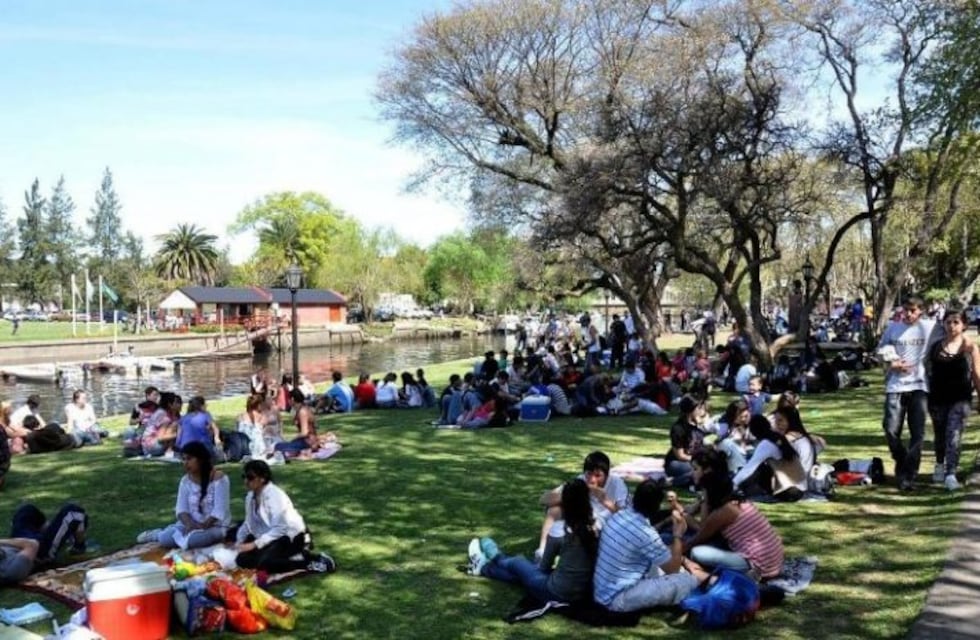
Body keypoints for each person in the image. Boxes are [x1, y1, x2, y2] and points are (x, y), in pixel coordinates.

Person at [471, 478, 598, 604]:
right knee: (521, 575)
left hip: (552, 591)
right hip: (579, 593)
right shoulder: (593, 529)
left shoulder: (560, 532)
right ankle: (483, 568)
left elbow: (544, 567)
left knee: (518, 562)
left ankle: (495, 556)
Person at [593, 479, 697, 612]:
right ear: (656, 506)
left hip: (602, 591)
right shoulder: (645, 533)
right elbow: (673, 569)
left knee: (663, 565)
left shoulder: (620, 515)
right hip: (618, 598)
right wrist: (678, 535)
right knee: (686, 581)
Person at [876, 295, 938, 491]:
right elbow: (879, 350)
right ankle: (902, 460)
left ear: (921, 310)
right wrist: (891, 363)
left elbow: (954, 334)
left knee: (917, 433)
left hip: (919, 386)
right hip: (896, 386)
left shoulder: (930, 328)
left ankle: (908, 476)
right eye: (906, 310)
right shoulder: (893, 328)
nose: (909, 314)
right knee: (890, 429)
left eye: (913, 310)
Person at [235, 459, 335, 574]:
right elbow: (248, 523)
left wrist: (254, 544)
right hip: (271, 536)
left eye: (250, 477)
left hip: (290, 536)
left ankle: (312, 563)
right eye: (244, 477)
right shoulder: (250, 497)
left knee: (266, 563)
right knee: (241, 559)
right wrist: (238, 543)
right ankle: (289, 558)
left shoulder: (274, 496)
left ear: (262, 479)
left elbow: (280, 529)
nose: (246, 481)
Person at [683, 473, 784, 579]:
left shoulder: (724, 511)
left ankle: (748, 574)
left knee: (697, 553)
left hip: (757, 564)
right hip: (773, 560)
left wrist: (677, 552)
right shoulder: (740, 502)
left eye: (704, 492)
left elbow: (700, 536)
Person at [137, 441, 231, 549]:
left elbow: (219, 511)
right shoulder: (185, 481)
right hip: (191, 524)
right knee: (165, 539)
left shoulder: (219, 479)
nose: (185, 463)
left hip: (214, 526)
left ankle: (187, 538)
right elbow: (181, 509)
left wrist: (203, 526)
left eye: (189, 459)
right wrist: (190, 525)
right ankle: (157, 534)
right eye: (184, 459)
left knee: (194, 540)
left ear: (201, 459)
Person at [536, 451, 628, 561]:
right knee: (554, 510)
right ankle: (542, 550)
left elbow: (625, 516)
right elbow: (543, 499)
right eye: (589, 474)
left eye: (598, 475)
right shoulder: (581, 481)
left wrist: (605, 501)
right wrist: (572, 494)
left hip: (604, 524)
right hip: (582, 517)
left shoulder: (617, 484)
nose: (592, 479)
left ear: (607, 475)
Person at [926, 307, 980, 491]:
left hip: (961, 399)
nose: (951, 325)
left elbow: (977, 374)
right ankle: (939, 465)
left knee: (954, 435)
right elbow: (927, 372)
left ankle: (951, 473)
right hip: (937, 398)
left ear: (964, 325)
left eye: (956, 322)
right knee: (940, 435)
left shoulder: (970, 348)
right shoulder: (935, 347)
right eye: (948, 322)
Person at [733, 410, 819, 501]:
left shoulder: (767, 444)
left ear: (753, 431)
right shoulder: (777, 438)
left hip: (790, 491)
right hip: (801, 488)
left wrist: (731, 485)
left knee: (758, 469)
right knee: (764, 467)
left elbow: (749, 468)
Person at [10, 502, 91, 565]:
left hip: (19, 542)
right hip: (38, 550)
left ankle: (50, 535)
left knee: (27, 509)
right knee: (74, 512)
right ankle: (78, 545)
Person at [664, 395, 708, 489]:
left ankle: (690, 482)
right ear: (691, 410)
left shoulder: (699, 426)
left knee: (708, 471)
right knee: (701, 472)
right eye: (699, 408)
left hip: (694, 460)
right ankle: (670, 483)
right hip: (677, 462)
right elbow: (680, 455)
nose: (701, 411)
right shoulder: (678, 428)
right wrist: (697, 461)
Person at [275, 390, 318, 457]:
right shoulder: (301, 409)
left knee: (278, 447)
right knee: (280, 445)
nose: (288, 401)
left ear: (292, 399)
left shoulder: (302, 412)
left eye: (288, 399)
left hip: (307, 442)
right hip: (306, 440)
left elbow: (304, 432)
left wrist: (292, 438)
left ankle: (303, 451)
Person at [238, 394, 268, 460]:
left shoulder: (241, 416)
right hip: (256, 446)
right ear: (258, 405)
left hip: (241, 445)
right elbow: (263, 434)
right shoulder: (262, 417)